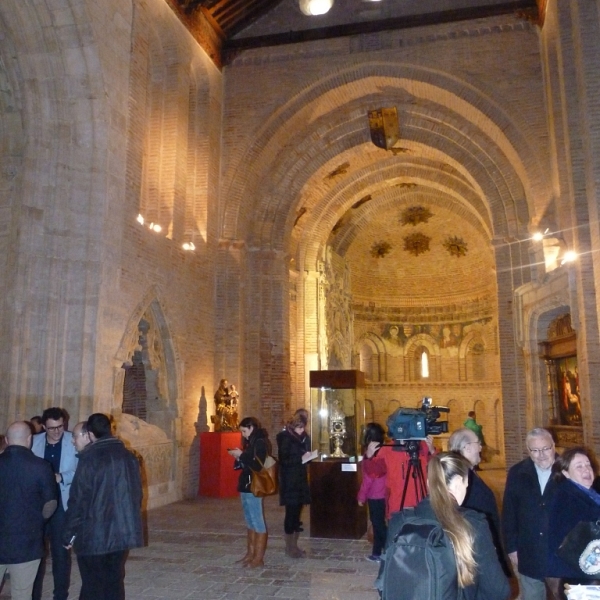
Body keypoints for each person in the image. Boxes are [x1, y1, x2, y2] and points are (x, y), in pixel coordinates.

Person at [63, 413, 143, 600]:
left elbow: (78, 501)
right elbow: (137, 495)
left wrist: (68, 533)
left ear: (90, 434)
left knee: (92, 586)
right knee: (114, 584)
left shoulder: (89, 460)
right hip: (121, 534)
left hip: (94, 536)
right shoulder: (129, 457)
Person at [0, 422, 57, 600]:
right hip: (27, 542)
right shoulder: (41, 466)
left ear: (7, 440)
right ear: (29, 439)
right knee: (22, 594)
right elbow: (51, 503)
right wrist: (38, 522)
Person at [502, 427, 559, 600]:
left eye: (545, 449)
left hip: (561, 552)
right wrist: (511, 548)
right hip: (529, 551)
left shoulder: (567, 470)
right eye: (535, 450)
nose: (541, 455)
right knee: (532, 595)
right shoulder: (517, 473)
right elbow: (509, 512)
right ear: (528, 451)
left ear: (554, 446)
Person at [31, 407, 78, 600]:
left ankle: (60, 595)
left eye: (60, 426)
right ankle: (32, 594)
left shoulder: (72, 441)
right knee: (35, 554)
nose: (57, 431)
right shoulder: (34, 442)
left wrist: (62, 477)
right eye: (52, 428)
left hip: (61, 504)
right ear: (43, 426)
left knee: (61, 554)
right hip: (38, 506)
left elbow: (82, 469)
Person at [448, 427, 507, 573]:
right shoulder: (462, 478)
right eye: (478, 443)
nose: (481, 447)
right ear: (467, 447)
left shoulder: (467, 471)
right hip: (477, 548)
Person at [546, 447, 600, 599]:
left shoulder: (590, 493)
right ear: (565, 473)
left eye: (588, 464)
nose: (586, 469)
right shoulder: (567, 497)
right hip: (579, 576)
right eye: (579, 466)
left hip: (587, 572)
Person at [228, 416, 271, 568]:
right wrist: (239, 456)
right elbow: (247, 462)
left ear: (252, 428)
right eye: (241, 432)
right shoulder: (250, 441)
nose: (243, 434)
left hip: (254, 486)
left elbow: (257, 466)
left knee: (257, 521)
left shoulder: (260, 442)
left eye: (245, 431)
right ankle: (250, 554)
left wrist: (242, 455)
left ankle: (258, 558)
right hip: (245, 485)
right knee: (249, 520)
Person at [363, 434, 435, 518]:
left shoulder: (423, 446)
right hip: (397, 507)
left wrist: (432, 451)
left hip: (421, 506)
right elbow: (374, 473)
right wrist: (368, 457)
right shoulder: (388, 449)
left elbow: (436, 471)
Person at [276, 412, 312, 558]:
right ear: (292, 426)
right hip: (290, 480)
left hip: (300, 479)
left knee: (297, 514)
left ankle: (294, 546)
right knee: (291, 514)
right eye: (299, 428)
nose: (302, 430)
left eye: (303, 427)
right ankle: (289, 547)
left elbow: (304, 456)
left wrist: (308, 456)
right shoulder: (285, 439)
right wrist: (300, 458)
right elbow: (284, 461)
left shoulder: (303, 438)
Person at [357, 422, 387, 562]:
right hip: (383, 493)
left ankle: (387, 551)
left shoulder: (374, 455)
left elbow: (369, 478)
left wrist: (361, 496)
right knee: (378, 524)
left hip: (376, 495)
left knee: (378, 525)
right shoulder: (383, 450)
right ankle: (376, 552)